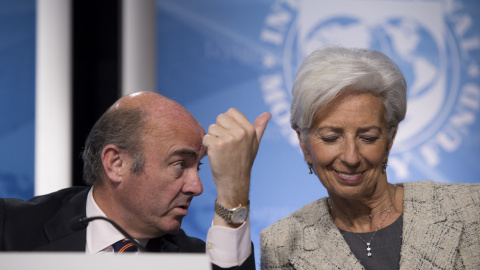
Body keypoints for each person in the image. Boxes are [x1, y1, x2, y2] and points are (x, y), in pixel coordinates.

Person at [260, 46, 480, 269]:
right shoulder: (282, 243)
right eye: (330, 138)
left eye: (368, 137)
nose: (351, 157)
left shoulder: (471, 208)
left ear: (389, 139)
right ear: (304, 144)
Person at [0, 91, 271, 270]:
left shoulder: (195, 259)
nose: (197, 187)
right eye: (179, 165)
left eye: (197, 167)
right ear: (116, 164)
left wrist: (233, 193)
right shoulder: (10, 230)